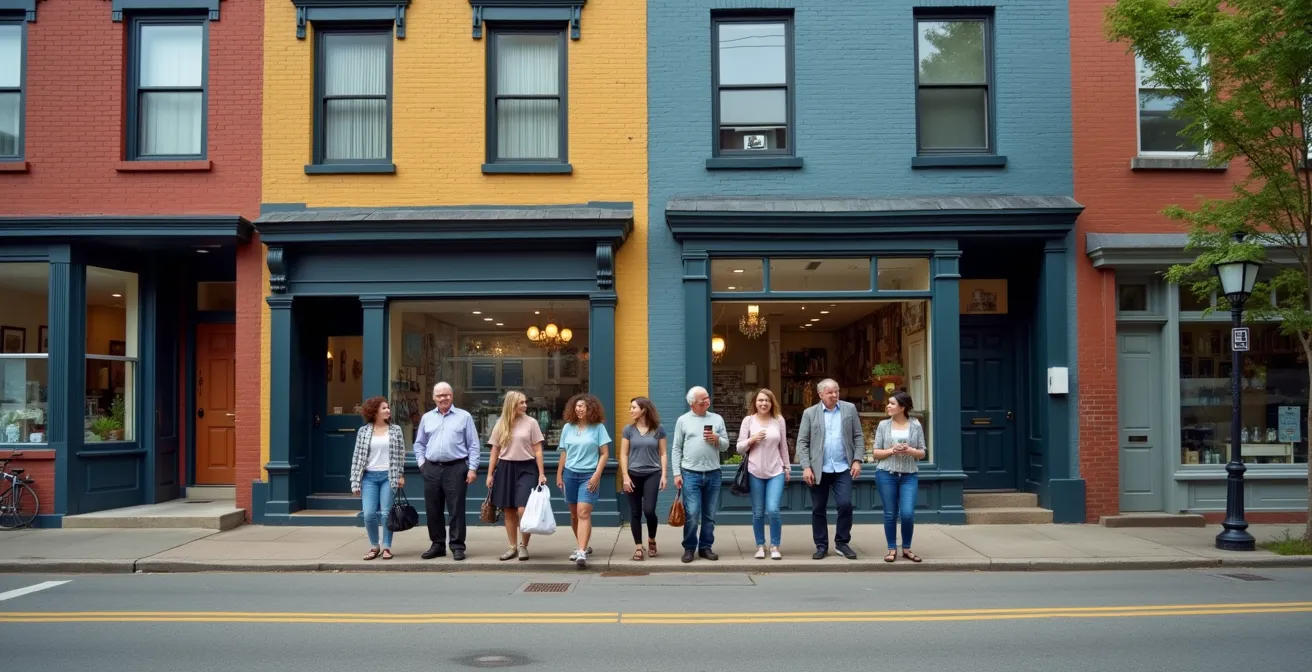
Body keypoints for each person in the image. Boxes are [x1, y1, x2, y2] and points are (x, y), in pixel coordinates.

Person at [795, 378, 864, 560]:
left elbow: (858, 436)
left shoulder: (849, 409)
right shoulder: (810, 413)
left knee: (845, 504)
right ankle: (821, 545)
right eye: (830, 392)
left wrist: (857, 460)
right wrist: (806, 467)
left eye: (836, 391)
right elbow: (802, 442)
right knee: (818, 507)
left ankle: (842, 542)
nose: (834, 395)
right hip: (819, 468)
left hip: (843, 467)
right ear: (820, 395)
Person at [413, 382, 480, 561]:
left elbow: (473, 445)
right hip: (432, 468)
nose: (443, 398)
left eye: (447, 395)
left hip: (456, 468)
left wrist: (472, 468)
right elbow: (419, 444)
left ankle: (457, 545)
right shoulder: (427, 418)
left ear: (452, 396)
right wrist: (422, 465)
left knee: (456, 509)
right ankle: (437, 545)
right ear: (434, 398)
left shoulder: (464, 417)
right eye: (440, 395)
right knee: (433, 508)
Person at [486, 390, 548, 562]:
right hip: (505, 467)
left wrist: (541, 473)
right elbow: (495, 451)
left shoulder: (531, 422)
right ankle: (512, 546)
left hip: (527, 468)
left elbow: (538, 450)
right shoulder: (501, 423)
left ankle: (523, 545)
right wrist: (490, 474)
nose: (525, 405)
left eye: (525, 402)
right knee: (509, 510)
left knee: (523, 509)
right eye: (521, 403)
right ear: (512, 404)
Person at [670, 385, 729, 563]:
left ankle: (705, 547)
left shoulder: (717, 419)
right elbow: (676, 448)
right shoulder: (683, 420)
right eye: (702, 399)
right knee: (693, 513)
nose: (707, 401)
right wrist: (676, 473)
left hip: (713, 473)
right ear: (692, 403)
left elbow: (726, 445)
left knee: (709, 515)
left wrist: (717, 439)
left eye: (707, 397)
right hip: (690, 473)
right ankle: (689, 548)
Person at [555, 393, 611, 568]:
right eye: (577, 406)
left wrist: (596, 475)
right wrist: (559, 474)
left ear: (591, 409)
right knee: (574, 515)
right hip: (570, 474)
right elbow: (564, 453)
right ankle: (583, 546)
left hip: (589, 475)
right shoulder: (567, 428)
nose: (579, 409)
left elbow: (605, 454)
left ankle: (580, 551)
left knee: (583, 513)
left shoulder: (598, 428)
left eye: (583, 406)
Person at [872, 390, 927, 563]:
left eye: (892, 403)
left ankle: (907, 548)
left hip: (909, 475)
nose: (888, 406)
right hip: (886, 474)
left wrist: (910, 450)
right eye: (888, 403)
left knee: (907, 513)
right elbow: (875, 453)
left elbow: (922, 453)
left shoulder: (916, 425)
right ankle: (891, 549)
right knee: (890, 513)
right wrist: (891, 450)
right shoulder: (883, 425)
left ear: (902, 407)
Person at [349, 396, 406, 560]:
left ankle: (387, 547)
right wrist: (355, 482)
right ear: (374, 412)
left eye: (388, 407)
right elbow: (357, 457)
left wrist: (400, 474)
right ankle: (374, 545)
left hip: (389, 475)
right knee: (368, 514)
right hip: (369, 477)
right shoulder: (363, 431)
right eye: (384, 408)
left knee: (387, 513)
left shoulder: (396, 430)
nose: (388, 410)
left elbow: (401, 454)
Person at [735, 388, 790, 560]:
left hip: (776, 471)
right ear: (755, 403)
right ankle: (760, 545)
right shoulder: (748, 421)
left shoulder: (778, 420)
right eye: (760, 400)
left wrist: (787, 468)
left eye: (767, 400)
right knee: (758, 512)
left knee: (773, 510)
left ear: (772, 403)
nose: (764, 403)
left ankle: (775, 545)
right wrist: (752, 439)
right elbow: (739, 448)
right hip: (754, 471)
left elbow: (784, 447)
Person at [619, 396, 667, 561]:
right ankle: (638, 547)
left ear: (644, 410)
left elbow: (663, 453)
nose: (631, 410)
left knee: (649, 510)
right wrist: (625, 476)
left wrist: (664, 475)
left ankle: (651, 539)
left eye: (634, 407)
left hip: (652, 473)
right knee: (635, 512)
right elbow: (623, 454)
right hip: (632, 474)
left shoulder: (658, 429)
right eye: (630, 407)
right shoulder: (628, 430)